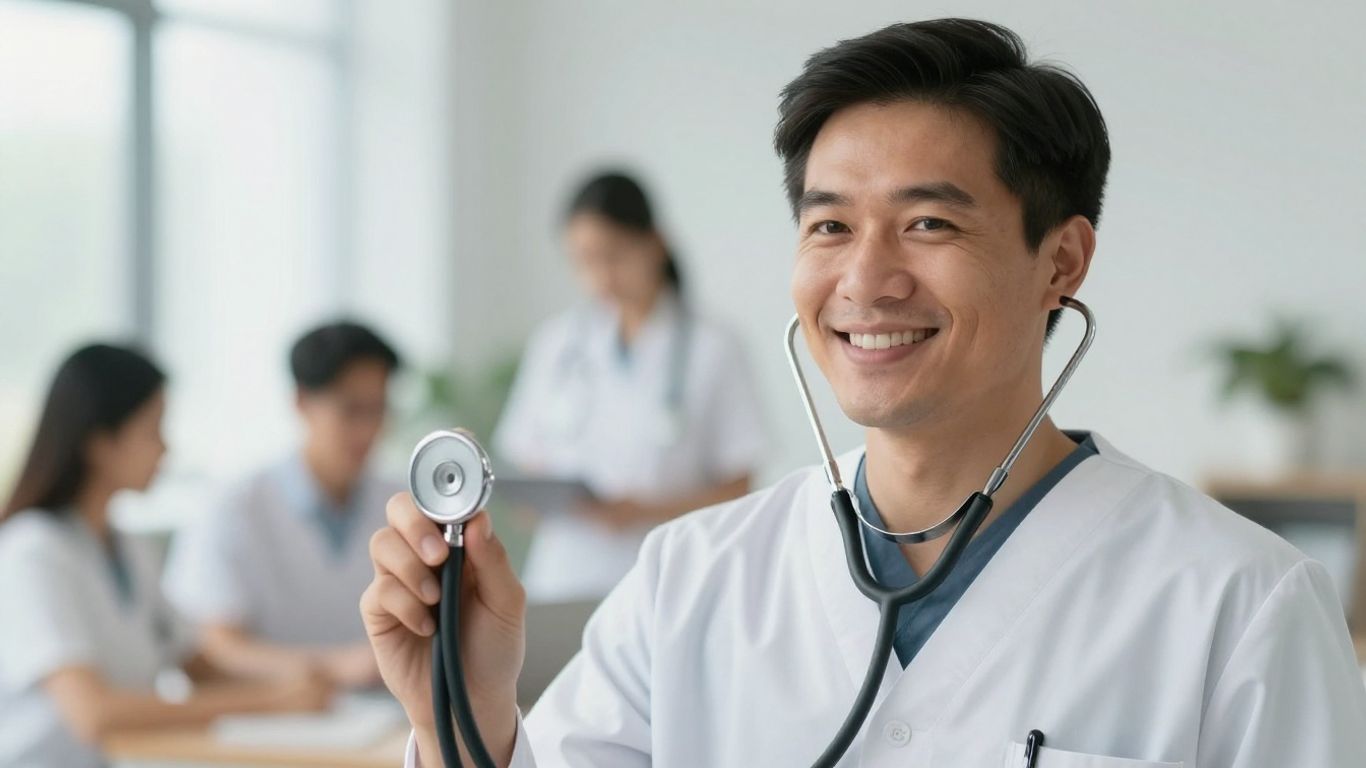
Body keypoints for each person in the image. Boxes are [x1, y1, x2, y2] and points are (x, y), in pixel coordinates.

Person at [364, 19, 1366, 767]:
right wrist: (460, 713)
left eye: (928, 224)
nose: (866, 280)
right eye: (830, 226)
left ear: (1061, 262)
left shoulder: (1241, 604)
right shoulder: (691, 580)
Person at [0, 344, 330, 768]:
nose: (165, 449)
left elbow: (196, 663)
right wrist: (270, 703)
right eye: (153, 430)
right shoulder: (33, 553)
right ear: (100, 444)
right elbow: (94, 714)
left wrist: (297, 679)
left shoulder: (128, 548)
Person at [492, 170, 767, 602]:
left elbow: (740, 490)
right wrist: (542, 500)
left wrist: (642, 512)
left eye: (613, 255)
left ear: (655, 243)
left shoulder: (714, 347)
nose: (601, 277)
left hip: (670, 582)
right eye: (583, 261)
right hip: (562, 581)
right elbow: (525, 470)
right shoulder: (556, 344)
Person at [164, 321, 402, 687]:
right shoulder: (233, 508)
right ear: (302, 403)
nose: (368, 429)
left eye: (379, 410)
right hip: (268, 715)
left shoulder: (402, 505)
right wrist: (342, 667)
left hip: (386, 713)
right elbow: (213, 648)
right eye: (351, 410)